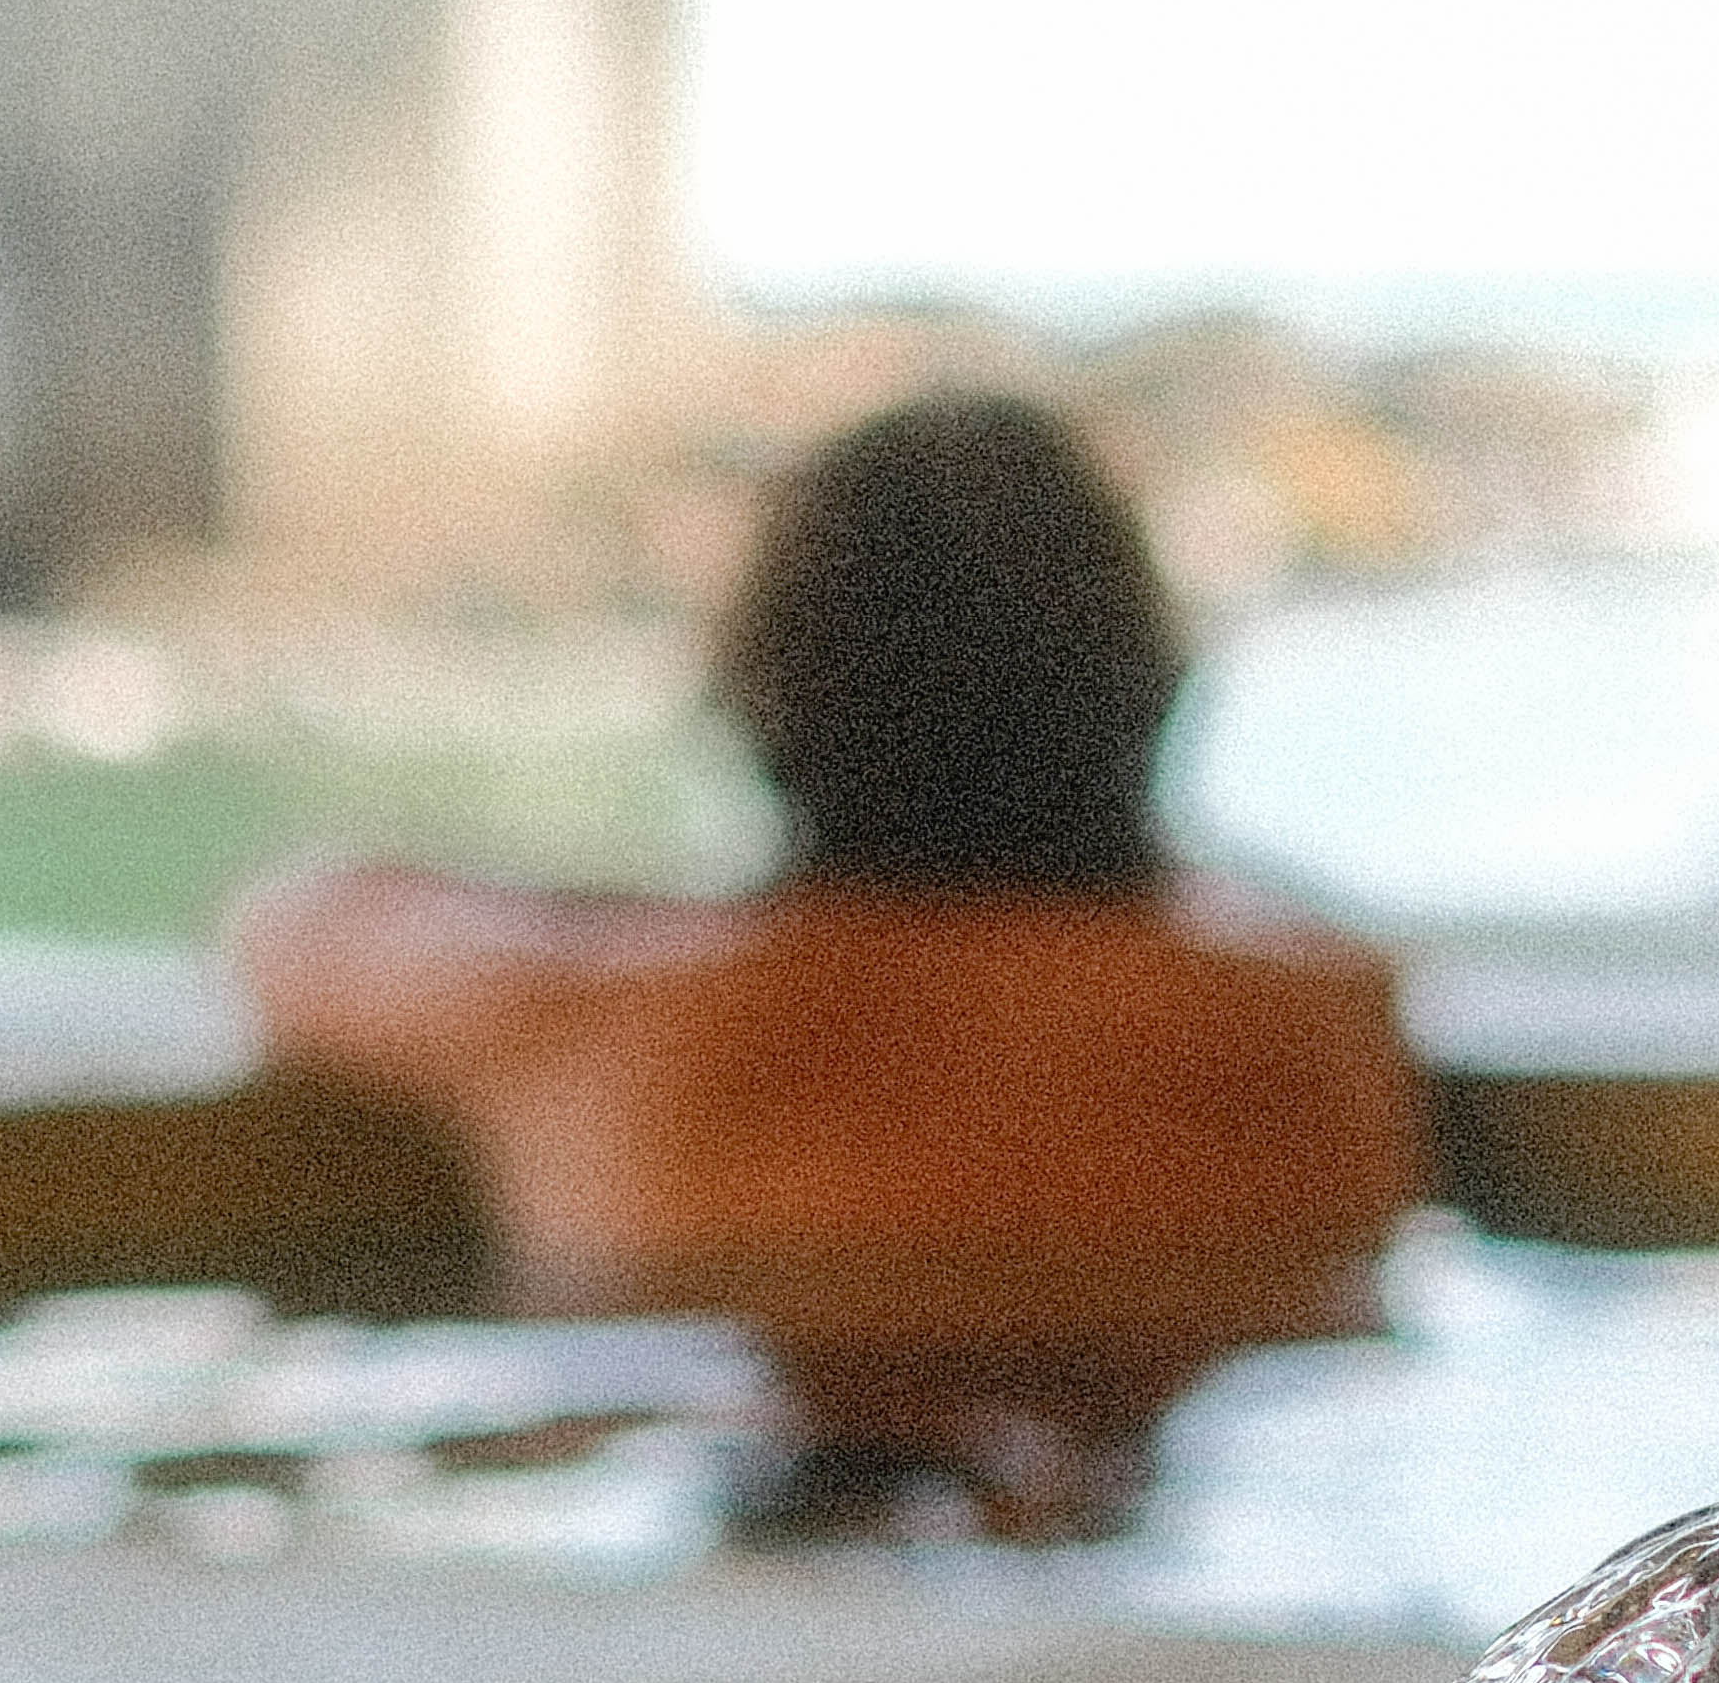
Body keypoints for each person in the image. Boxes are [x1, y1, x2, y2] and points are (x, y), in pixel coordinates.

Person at [230, 392, 1423, 1527]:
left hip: (736, 1524)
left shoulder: (597, 1015)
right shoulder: (1315, 1007)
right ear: (1153, 686)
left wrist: (652, 913)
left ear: (755, 691)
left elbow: (294, 916)